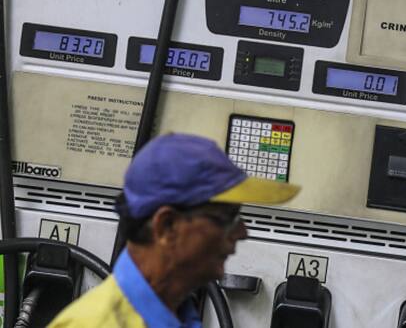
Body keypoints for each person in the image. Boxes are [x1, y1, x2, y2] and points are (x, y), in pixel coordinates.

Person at [48, 133, 300, 327]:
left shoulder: (178, 313)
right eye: (227, 218)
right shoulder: (93, 324)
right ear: (167, 226)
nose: (242, 232)